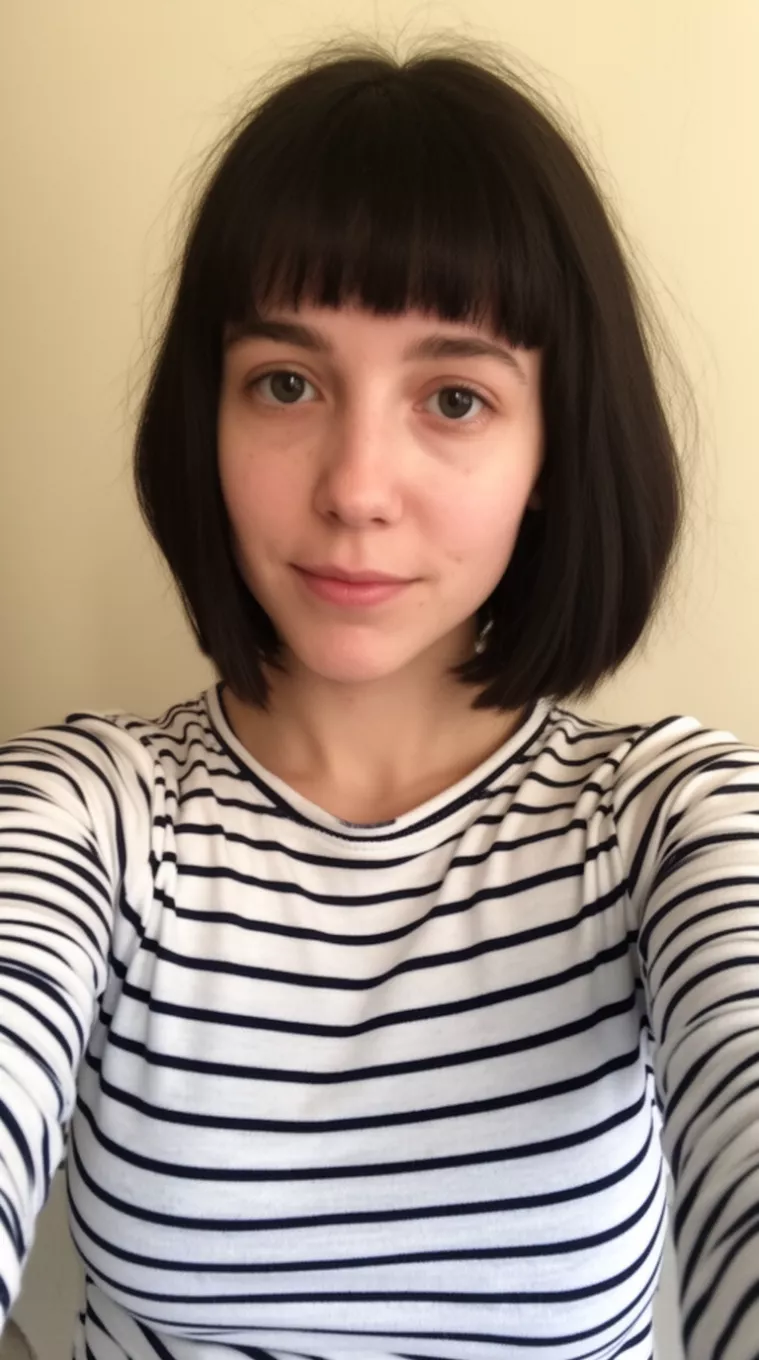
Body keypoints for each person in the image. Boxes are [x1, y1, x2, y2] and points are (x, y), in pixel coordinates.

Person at [1, 32, 757, 1360]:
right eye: (285, 383)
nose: (354, 486)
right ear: (207, 414)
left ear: (550, 452)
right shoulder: (94, 818)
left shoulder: (660, 824)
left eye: (453, 398)